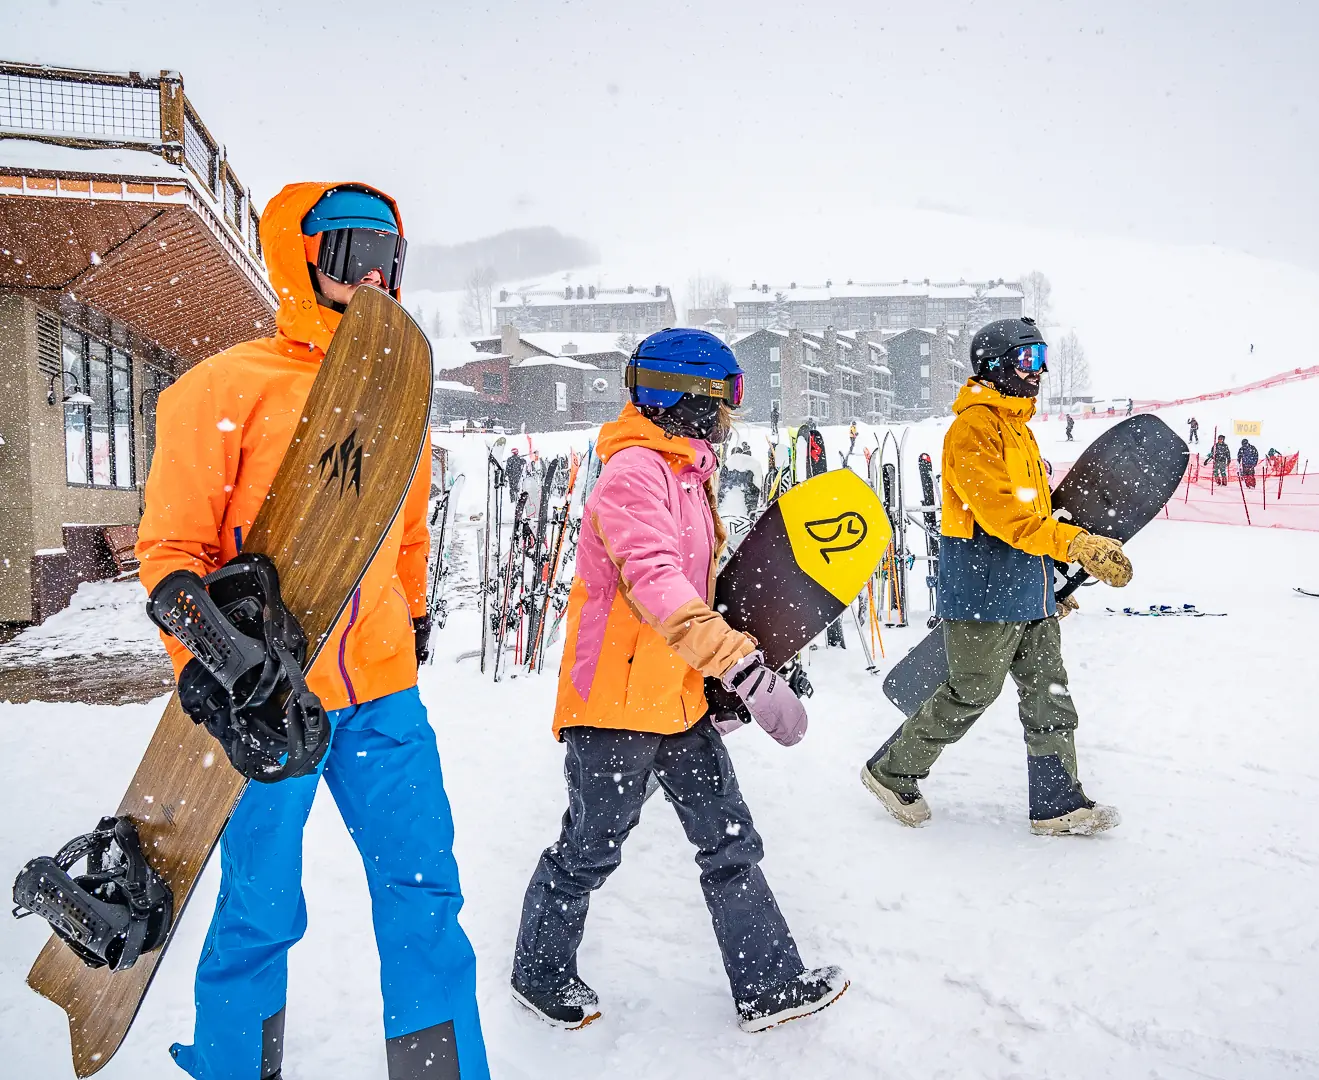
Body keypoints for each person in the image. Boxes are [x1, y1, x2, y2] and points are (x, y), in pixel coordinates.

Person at [136, 183, 489, 1079]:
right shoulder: (221, 388)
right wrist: (220, 667)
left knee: (425, 897)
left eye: (387, 255)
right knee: (258, 909)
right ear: (299, 256)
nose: (371, 273)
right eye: (346, 251)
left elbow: (403, 535)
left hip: (383, 706)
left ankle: (440, 1070)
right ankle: (231, 1064)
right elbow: (170, 557)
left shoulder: (396, 394)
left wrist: (407, 623)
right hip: (271, 709)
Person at [511, 328, 847, 1034]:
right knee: (590, 846)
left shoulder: (683, 475)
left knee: (728, 838)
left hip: (677, 699)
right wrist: (743, 670)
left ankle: (767, 984)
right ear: (687, 399)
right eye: (723, 400)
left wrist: (717, 683)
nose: (728, 417)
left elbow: (703, 592)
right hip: (613, 705)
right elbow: (657, 584)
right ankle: (537, 971)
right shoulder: (634, 472)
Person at [860, 317, 1129, 837]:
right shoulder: (973, 429)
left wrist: (1047, 579)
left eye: (1041, 358)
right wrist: (1075, 545)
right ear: (995, 364)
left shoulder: (1019, 429)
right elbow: (1004, 515)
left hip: (1026, 583)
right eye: (1028, 359)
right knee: (972, 690)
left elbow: (1035, 516)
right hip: (985, 584)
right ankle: (892, 771)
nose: (1040, 371)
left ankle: (1057, 803)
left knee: (1049, 692)